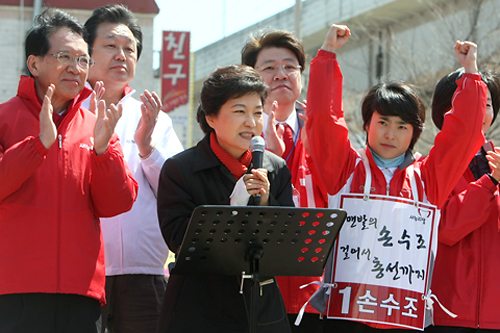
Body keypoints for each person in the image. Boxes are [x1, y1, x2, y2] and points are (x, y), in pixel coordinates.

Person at [305, 24, 487, 332]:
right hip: (347, 315)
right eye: (383, 122)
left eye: (402, 126)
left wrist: (470, 72)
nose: (390, 134)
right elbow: (322, 118)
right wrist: (328, 55)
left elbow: (464, 134)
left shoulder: (428, 177)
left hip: (403, 314)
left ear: (415, 133)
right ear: (367, 124)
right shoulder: (345, 170)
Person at [0, 9, 138, 333]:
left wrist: (104, 152)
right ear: (34, 64)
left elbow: (117, 203)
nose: (76, 69)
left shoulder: (96, 125)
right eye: (65, 56)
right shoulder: (5, 119)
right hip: (14, 291)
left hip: (82, 294)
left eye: (83, 60)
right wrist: (38, 145)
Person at [156, 65, 293, 333]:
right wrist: (234, 207)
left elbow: (285, 243)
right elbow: (178, 240)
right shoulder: (180, 170)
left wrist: (266, 203)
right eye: (239, 111)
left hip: (261, 309)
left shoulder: (275, 168)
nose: (251, 122)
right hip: (199, 308)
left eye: (257, 112)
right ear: (211, 117)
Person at [83, 5, 183, 332]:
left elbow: (175, 190)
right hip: (84, 273)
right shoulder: (68, 115)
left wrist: (146, 148)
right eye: (110, 46)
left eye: (130, 49)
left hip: (146, 275)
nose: (121, 55)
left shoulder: (154, 117)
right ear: (87, 53)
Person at [242, 29, 327, 332]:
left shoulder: (324, 130)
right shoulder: (237, 133)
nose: (281, 75)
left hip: (313, 293)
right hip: (256, 288)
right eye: (269, 67)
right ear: (251, 76)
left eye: (290, 66)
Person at [424, 69, 500, 332]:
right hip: (447, 315)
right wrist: (490, 183)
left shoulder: (497, 162)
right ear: (446, 112)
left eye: (487, 104)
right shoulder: (429, 167)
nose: (478, 110)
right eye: (468, 102)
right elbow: (447, 228)